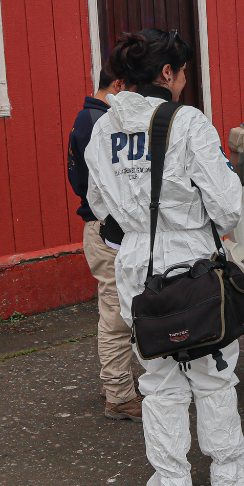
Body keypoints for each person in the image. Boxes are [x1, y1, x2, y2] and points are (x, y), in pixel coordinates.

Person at [83, 29, 244, 486]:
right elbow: (228, 207)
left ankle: (170, 479)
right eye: (183, 72)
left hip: (135, 263)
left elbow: (98, 205)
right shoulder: (187, 122)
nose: (185, 81)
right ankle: (229, 472)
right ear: (167, 73)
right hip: (193, 261)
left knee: (159, 377)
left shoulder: (102, 128)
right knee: (213, 371)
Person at [67, 68, 141, 422]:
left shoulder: (85, 118)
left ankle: (117, 384)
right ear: (119, 85)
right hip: (106, 229)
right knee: (115, 315)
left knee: (115, 308)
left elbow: (77, 178)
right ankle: (119, 396)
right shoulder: (101, 121)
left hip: (96, 226)